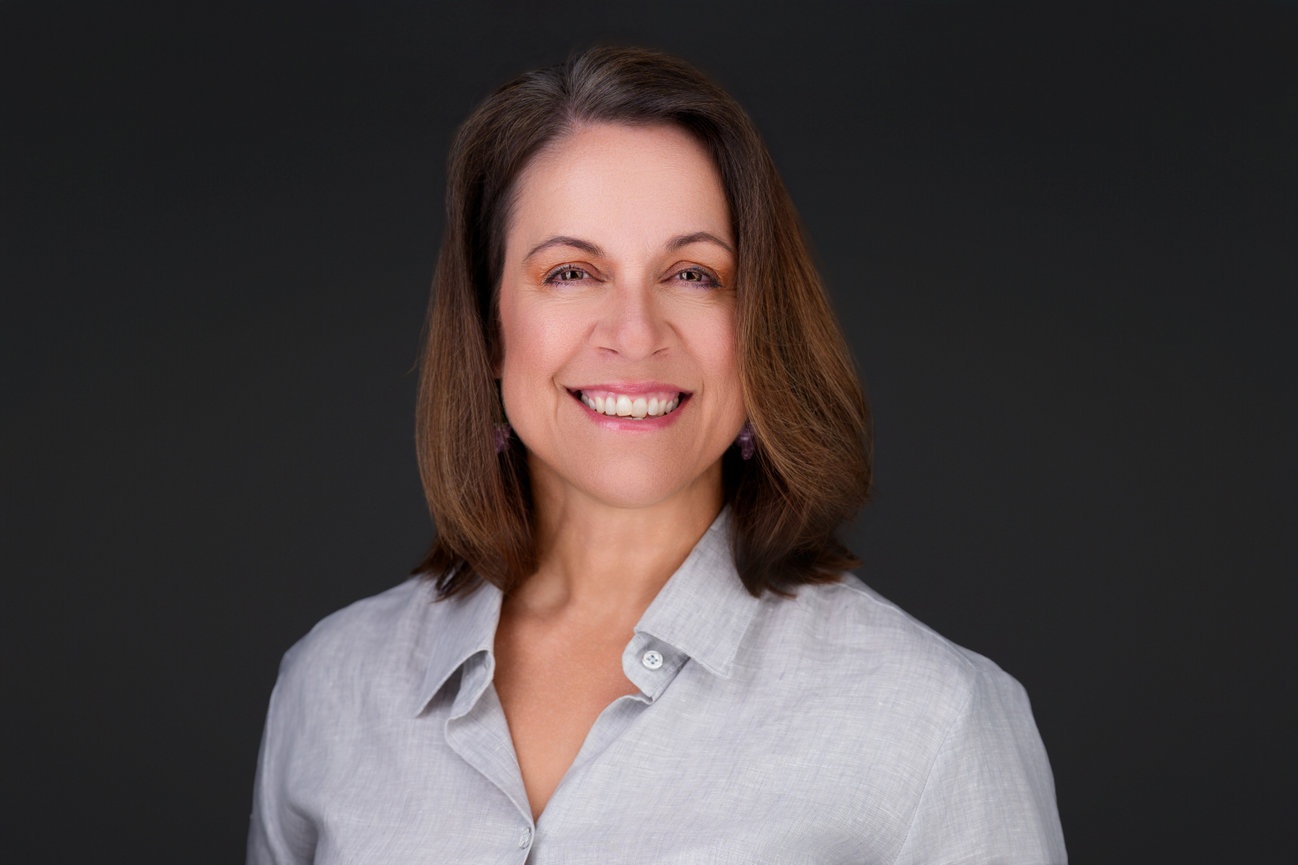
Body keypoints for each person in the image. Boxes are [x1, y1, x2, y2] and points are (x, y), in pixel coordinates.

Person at [247, 46, 1067, 863]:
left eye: (693, 274)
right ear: (491, 329)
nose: (636, 333)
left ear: (756, 328)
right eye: (570, 272)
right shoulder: (329, 687)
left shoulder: (932, 720)